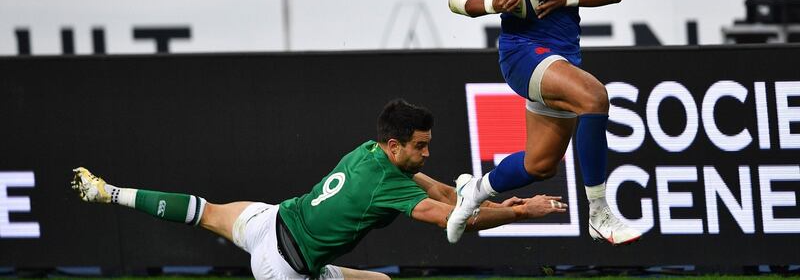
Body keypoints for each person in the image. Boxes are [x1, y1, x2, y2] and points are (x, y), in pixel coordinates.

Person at [72, 99, 567, 280]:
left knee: (203, 212)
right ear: (394, 145)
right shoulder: (385, 188)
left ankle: (109, 192)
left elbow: (441, 191)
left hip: (269, 221)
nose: (427, 153)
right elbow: (460, 219)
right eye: (421, 146)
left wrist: (496, 199)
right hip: (284, 268)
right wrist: (523, 213)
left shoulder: (371, 153)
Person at [446, 0, 641, 246]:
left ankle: (476, 190)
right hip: (521, 51)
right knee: (594, 97)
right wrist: (490, 4)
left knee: (540, 164)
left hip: (563, 53)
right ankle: (600, 213)